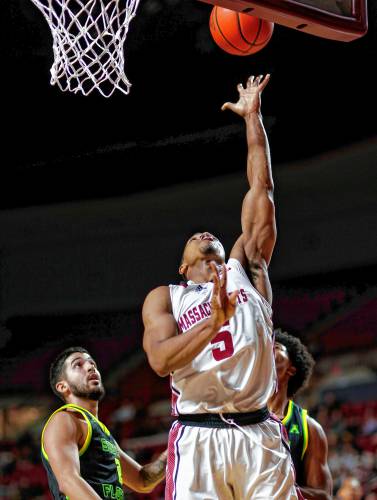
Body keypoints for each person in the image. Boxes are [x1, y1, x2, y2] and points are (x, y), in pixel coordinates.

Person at [143, 75, 299, 499]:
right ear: (182, 266)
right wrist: (212, 323)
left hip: (258, 432)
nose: (202, 235)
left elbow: (261, 187)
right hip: (198, 435)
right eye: (192, 239)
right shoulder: (166, 298)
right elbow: (160, 361)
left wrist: (253, 119)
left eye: (207, 236)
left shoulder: (245, 265)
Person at [41, 346, 167, 499]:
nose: (90, 367)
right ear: (62, 386)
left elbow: (143, 480)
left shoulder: (101, 431)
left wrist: (176, 450)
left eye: (91, 363)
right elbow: (68, 481)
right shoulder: (65, 419)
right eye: (78, 365)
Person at [269, 329, 333, 500]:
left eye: (275, 347)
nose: (266, 349)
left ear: (291, 369)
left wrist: (282, 488)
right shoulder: (237, 416)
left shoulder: (310, 428)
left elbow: (323, 496)